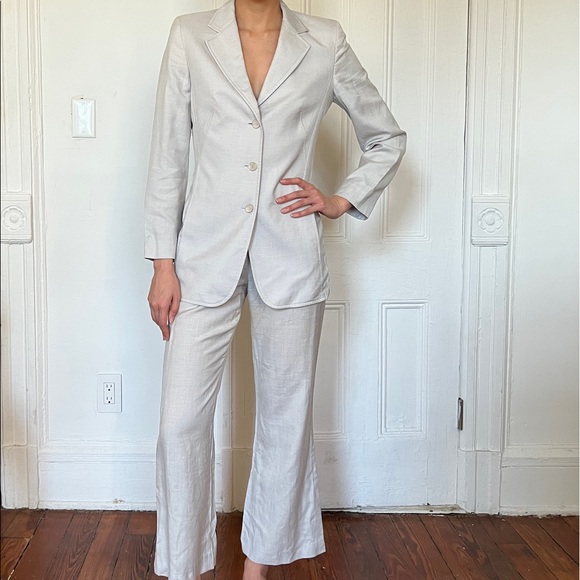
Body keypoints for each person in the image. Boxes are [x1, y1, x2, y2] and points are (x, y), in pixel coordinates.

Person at [144, 0, 406, 578]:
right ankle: (184, 567)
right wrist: (163, 263)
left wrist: (339, 200)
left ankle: (257, 569)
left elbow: (386, 136)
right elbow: (168, 156)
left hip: (289, 255)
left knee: (285, 422)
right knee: (180, 423)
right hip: (202, 258)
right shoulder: (190, 35)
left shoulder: (325, 40)